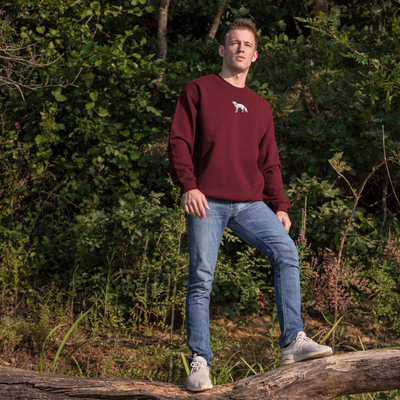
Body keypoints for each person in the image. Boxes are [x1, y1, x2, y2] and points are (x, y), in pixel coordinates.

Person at [168, 18, 333, 392]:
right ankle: (200, 362)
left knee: (287, 252)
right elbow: (179, 140)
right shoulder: (198, 90)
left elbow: (269, 161)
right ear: (222, 50)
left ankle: (292, 341)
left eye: (247, 44)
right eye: (234, 43)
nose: (240, 48)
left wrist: (280, 205)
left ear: (254, 55)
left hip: (250, 203)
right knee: (201, 279)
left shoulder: (261, 107)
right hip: (206, 200)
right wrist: (188, 186)